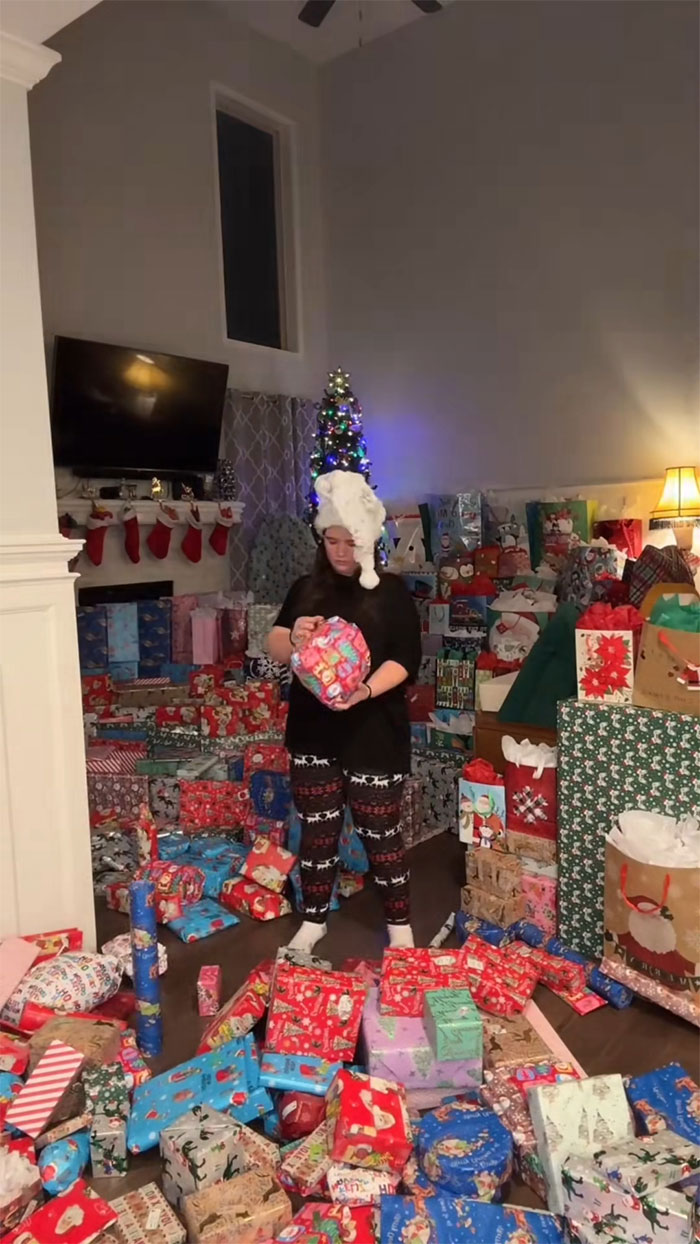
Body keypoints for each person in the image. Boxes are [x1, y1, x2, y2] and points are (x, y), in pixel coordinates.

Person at [267, 470, 422, 954]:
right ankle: (313, 922)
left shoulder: (392, 592)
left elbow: (406, 659)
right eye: (331, 540)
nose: (339, 551)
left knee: (382, 834)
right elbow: (273, 642)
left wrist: (366, 691)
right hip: (313, 735)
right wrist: (294, 638)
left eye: (349, 541)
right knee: (317, 832)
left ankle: (400, 930)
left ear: (368, 540)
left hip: (374, 731)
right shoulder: (304, 589)